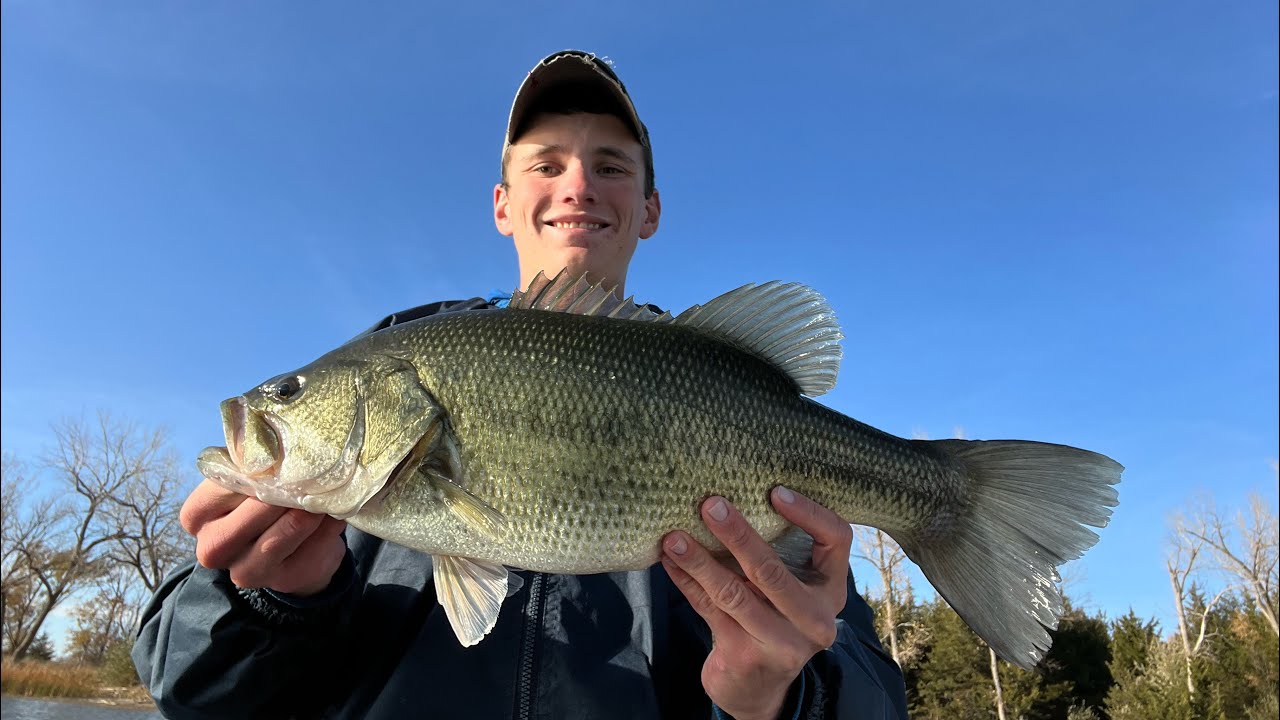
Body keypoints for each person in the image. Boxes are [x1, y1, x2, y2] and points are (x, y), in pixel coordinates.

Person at [133, 50, 909, 720]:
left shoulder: (712, 373)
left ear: (650, 210)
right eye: (546, 164)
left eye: (610, 166)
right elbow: (188, 689)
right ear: (503, 205)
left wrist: (780, 693)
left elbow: (873, 695)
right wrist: (266, 604)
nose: (577, 186)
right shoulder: (396, 354)